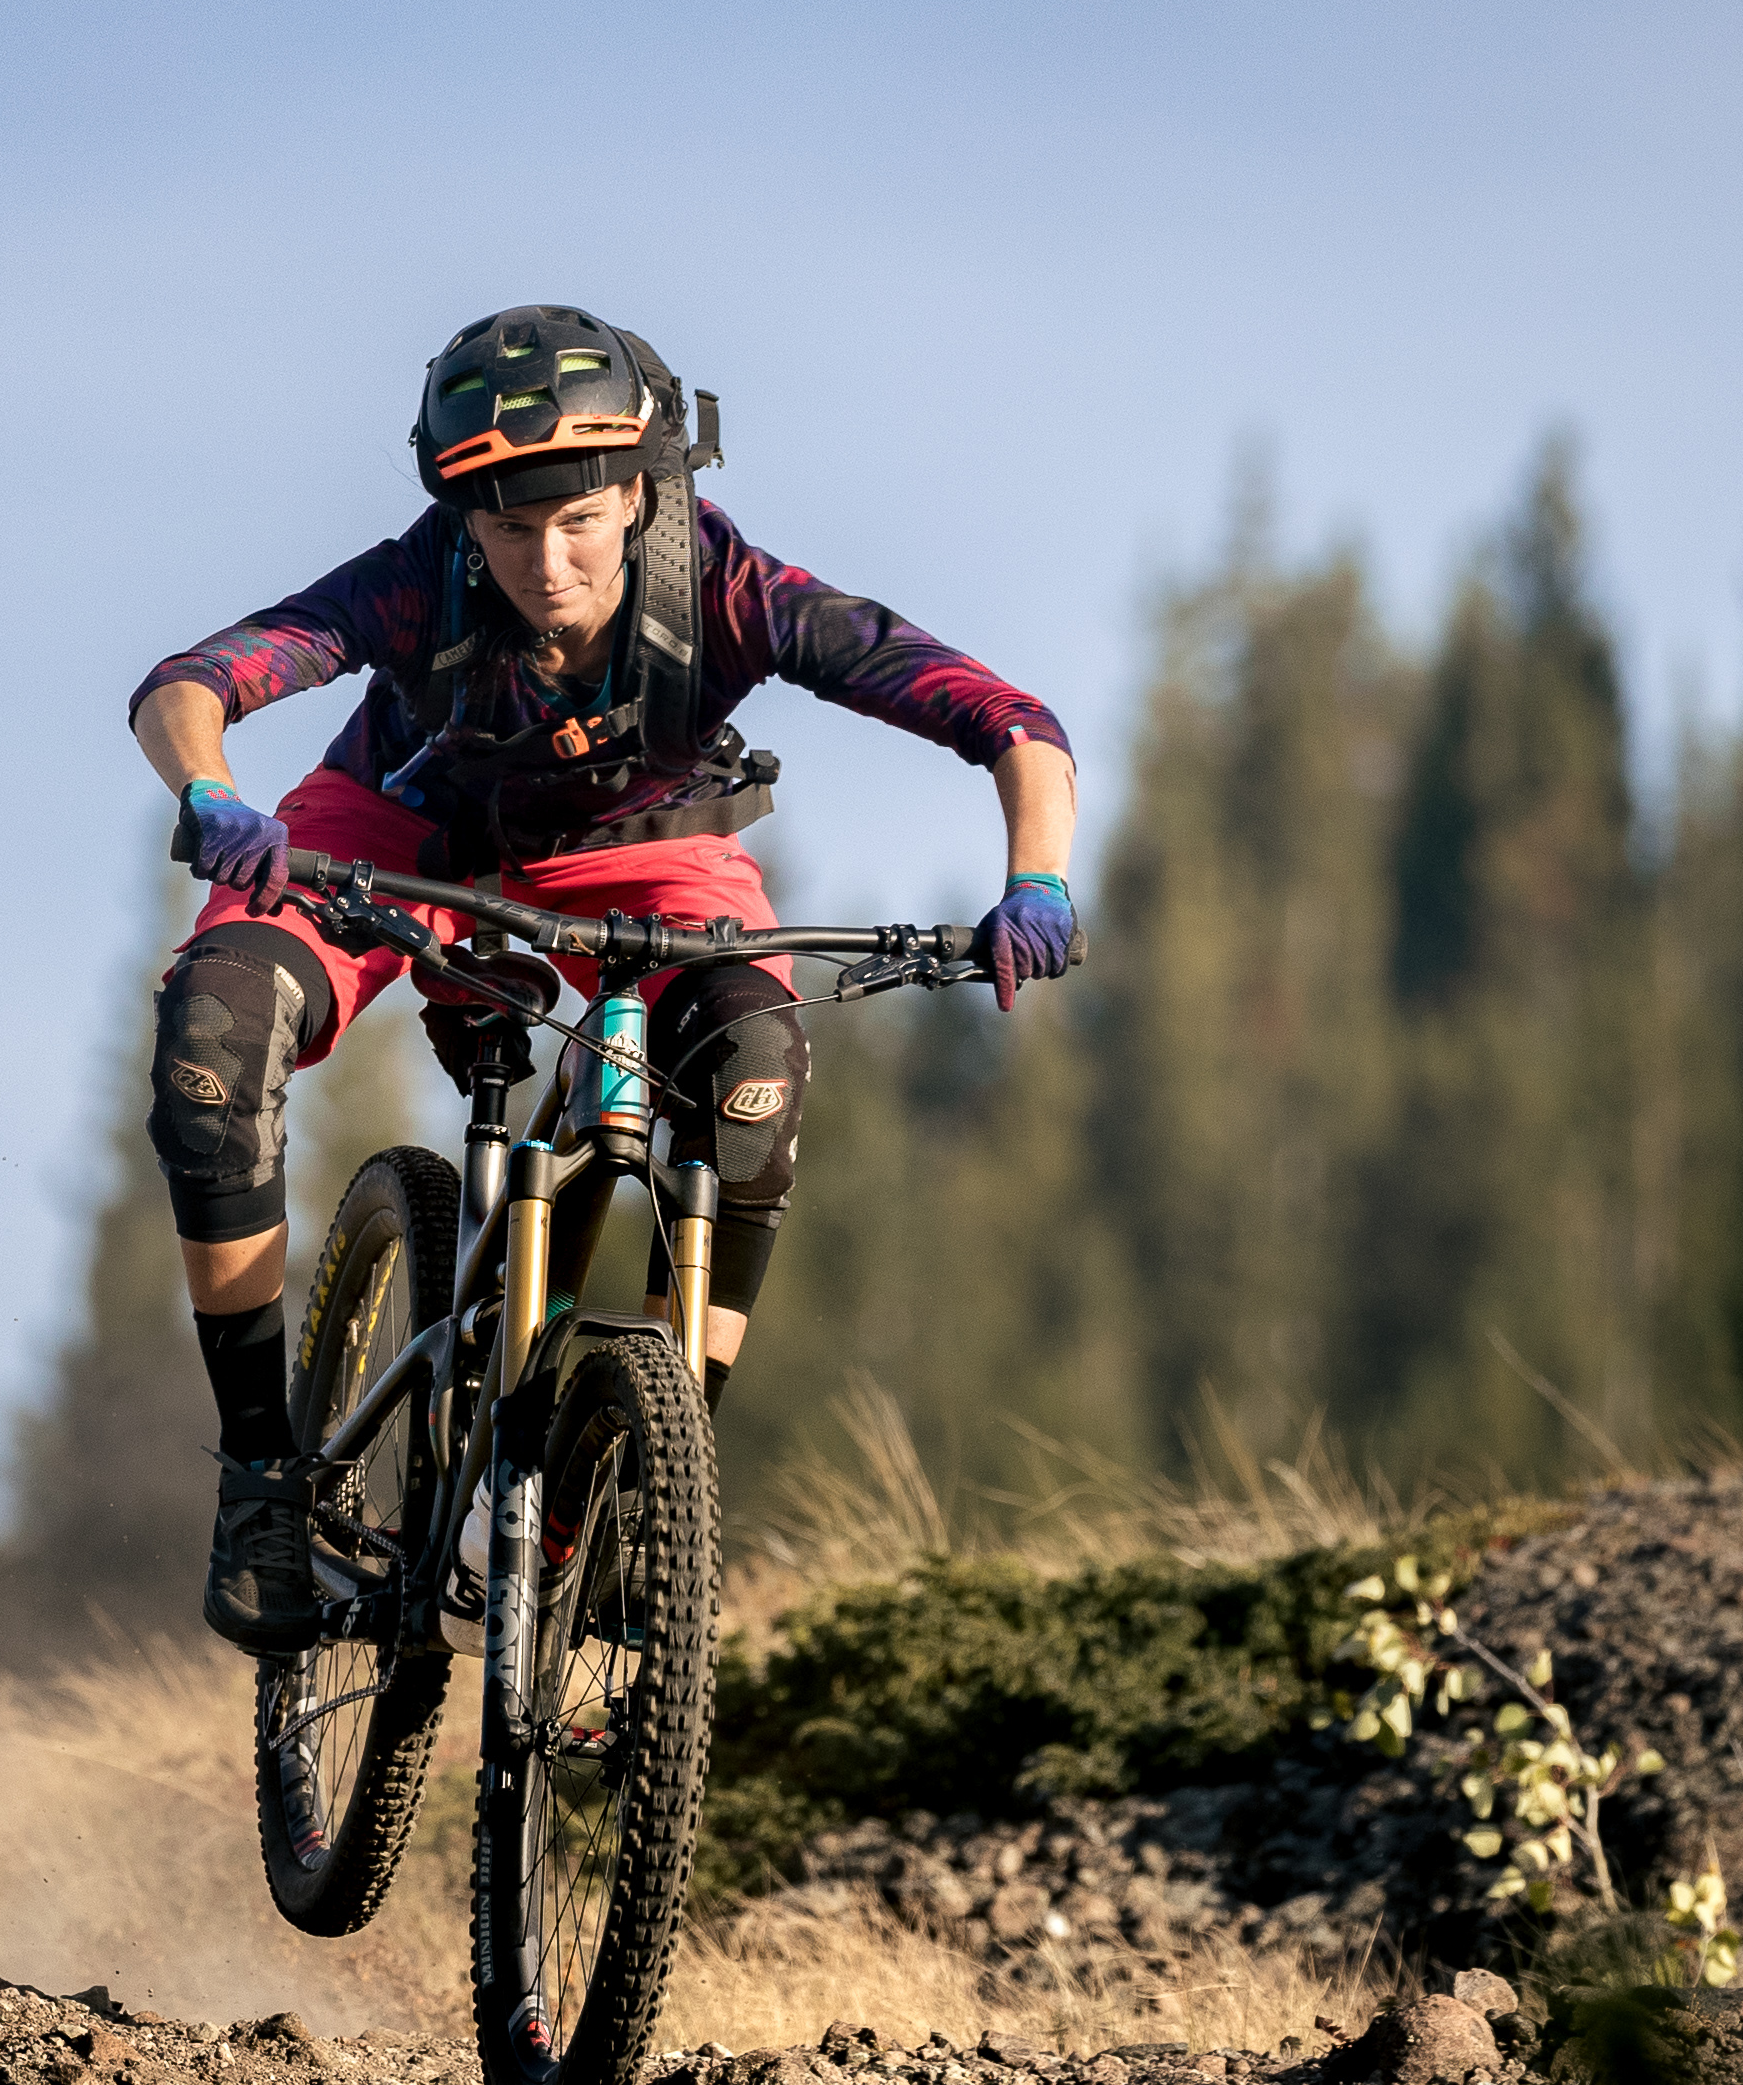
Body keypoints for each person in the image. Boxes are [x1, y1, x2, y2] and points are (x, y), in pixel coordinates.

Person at [132, 303, 1083, 1652]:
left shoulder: (733, 589)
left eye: (580, 520)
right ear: (464, 516)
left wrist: (1036, 877)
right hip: (402, 833)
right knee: (214, 1035)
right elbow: (190, 685)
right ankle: (262, 1483)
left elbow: (1007, 722)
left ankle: (640, 1490)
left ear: (643, 492)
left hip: (643, 855)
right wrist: (215, 792)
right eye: (509, 528)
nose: (547, 560)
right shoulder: (417, 581)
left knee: (753, 1075)